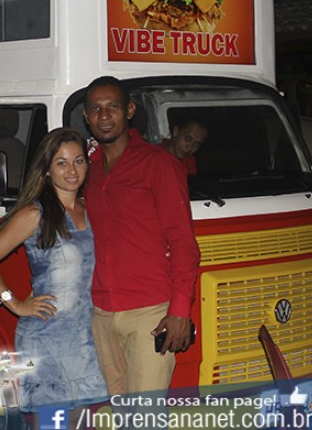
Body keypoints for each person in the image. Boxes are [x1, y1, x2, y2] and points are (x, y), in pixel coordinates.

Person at [0, 127, 108, 427]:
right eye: (62, 163)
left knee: (82, 425)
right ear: (46, 169)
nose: (72, 171)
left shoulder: (90, 209)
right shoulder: (35, 214)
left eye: (78, 161)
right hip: (46, 339)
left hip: (84, 339)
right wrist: (15, 303)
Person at [82, 75, 201, 396]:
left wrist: (179, 309)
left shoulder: (159, 165)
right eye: (95, 109)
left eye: (113, 107)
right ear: (86, 116)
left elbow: (183, 243)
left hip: (150, 312)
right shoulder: (86, 169)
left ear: (130, 110)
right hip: (102, 312)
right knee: (121, 410)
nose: (104, 116)